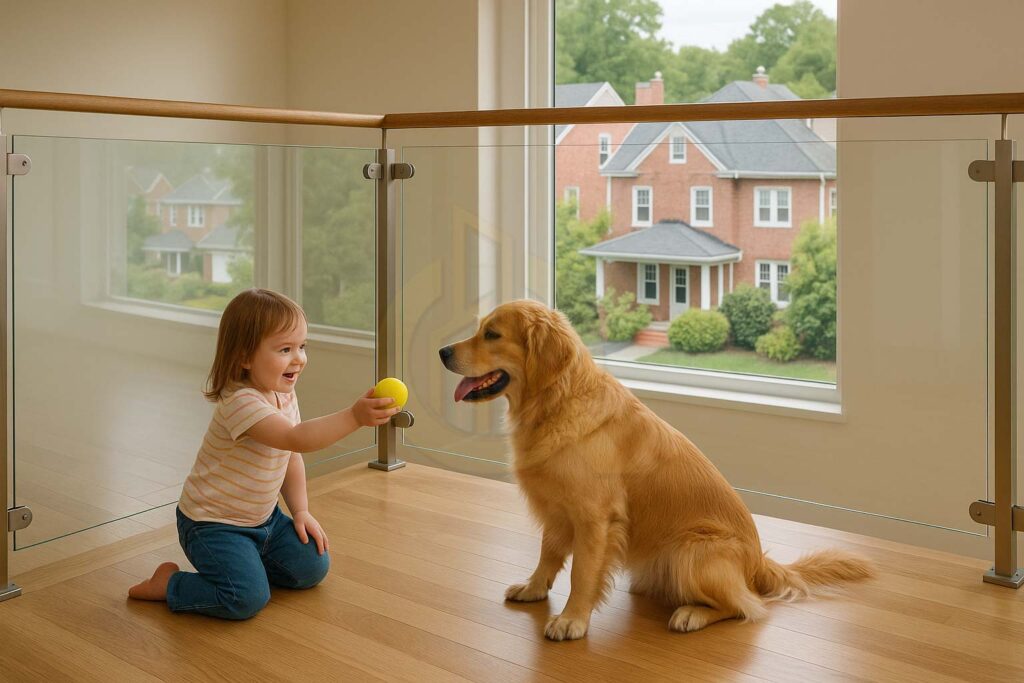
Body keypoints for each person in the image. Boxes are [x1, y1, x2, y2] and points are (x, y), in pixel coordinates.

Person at [128, 288, 398, 619]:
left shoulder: (283, 394)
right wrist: (354, 417)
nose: (298, 358)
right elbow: (296, 438)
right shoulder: (240, 402)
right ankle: (171, 584)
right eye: (285, 349)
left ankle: (247, 563)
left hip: (263, 519)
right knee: (246, 599)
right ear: (244, 356)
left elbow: (290, 455)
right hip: (212, 525)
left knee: (313, 566)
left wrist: (300, 511)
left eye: (302, 347)